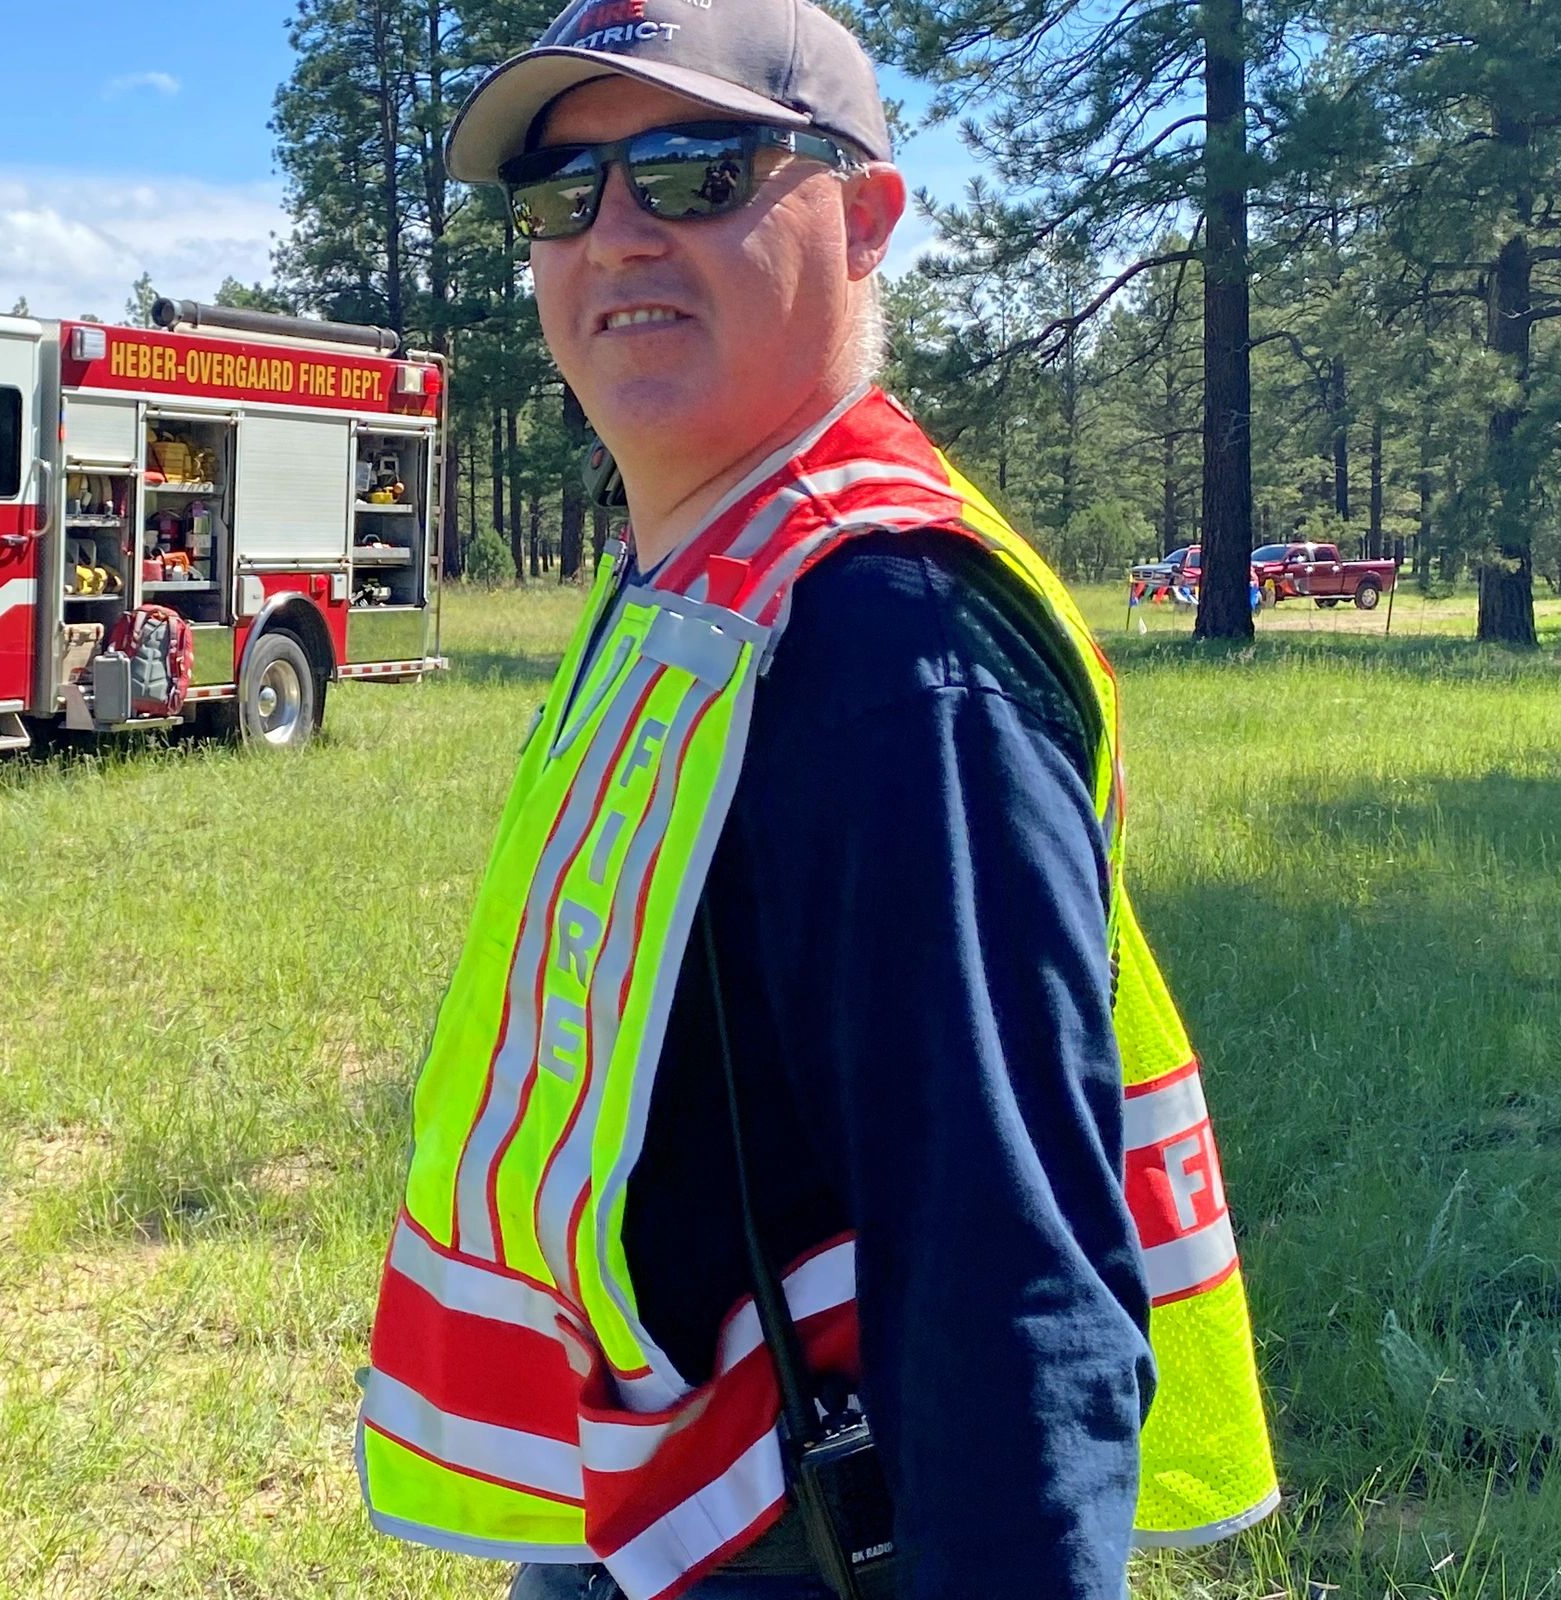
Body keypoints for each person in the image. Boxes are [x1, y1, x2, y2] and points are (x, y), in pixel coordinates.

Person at [351, 4, 1279, 1598]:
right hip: (670, 1495)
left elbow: (1005, 1259)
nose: (616, 233)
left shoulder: (885, 637)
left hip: (797, 1540)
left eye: (698, 170)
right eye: (564, 195)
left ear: (863, 219)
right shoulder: (707, 573)